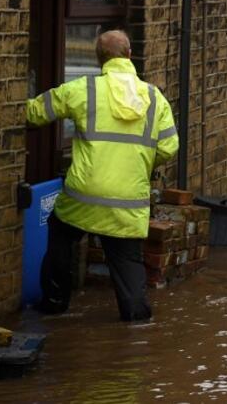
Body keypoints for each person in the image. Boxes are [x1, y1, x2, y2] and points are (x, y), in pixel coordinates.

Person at [26, 30, 178, 321]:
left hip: (84, 197)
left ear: (99, 59)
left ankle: (55, 303)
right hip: (129, 202)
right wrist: (143, 164)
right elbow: (170, 147)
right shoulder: (155, 98)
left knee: (61, 232)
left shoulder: (83, 89)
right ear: (130, 54)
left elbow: (34, 113)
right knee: (128, 262)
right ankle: (137, 322)